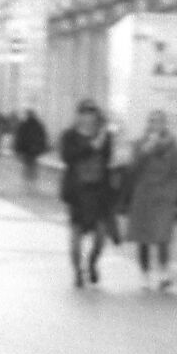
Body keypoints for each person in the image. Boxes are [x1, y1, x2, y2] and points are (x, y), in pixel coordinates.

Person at [118, 109, 177, 290]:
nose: (155, 125)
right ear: (148, 125)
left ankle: (164, 273)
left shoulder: (174, 147)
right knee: (143, 237)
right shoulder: (140, 145)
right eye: (152, 121)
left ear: (165, 125)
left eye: (159, 121)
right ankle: (144, 274)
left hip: (164, 197)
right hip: (143, 196)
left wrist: (173, 194)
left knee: (162, 235)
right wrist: (144, 152)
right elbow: (132, 170)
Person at [57, 100, 116, 288]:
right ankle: (77, 271)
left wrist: (103, 135)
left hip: (99, 194)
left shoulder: (105, 136)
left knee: (100, 238)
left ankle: (92, 263)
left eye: (91, 113)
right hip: (77, 194)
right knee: (75, 241)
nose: (87, 117)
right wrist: (92, 146)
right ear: (78, 115)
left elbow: (108, 159)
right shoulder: (69, 136)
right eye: (83, 112)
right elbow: (68, 157)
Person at [12, 109, 49, 190]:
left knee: (27, 165)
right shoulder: (38, 125)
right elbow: (43, 137)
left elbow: (19, 138)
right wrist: (42, 148)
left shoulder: (23, 125)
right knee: (33, 165)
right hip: (34, 149)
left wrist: (17, 149)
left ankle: (27, 183)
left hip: (26, 149)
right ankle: (32, 183)